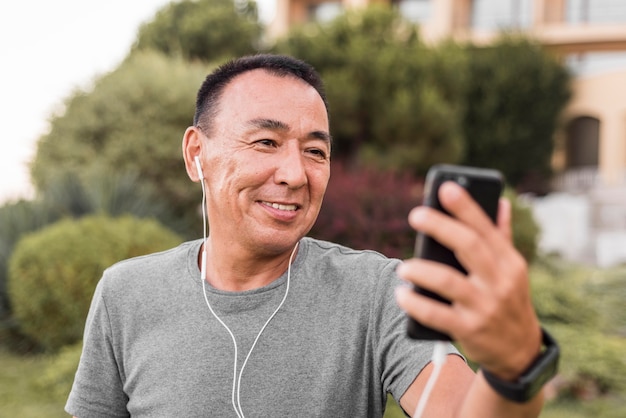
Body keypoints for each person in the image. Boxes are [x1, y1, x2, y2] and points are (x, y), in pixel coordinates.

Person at [66, 54, 554, 418]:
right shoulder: (125, 293)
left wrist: (513, 370)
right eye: (266, 142)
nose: (296, 174)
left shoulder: (379, 291)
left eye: (316, 152)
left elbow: (460, 410)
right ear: (197, 154)